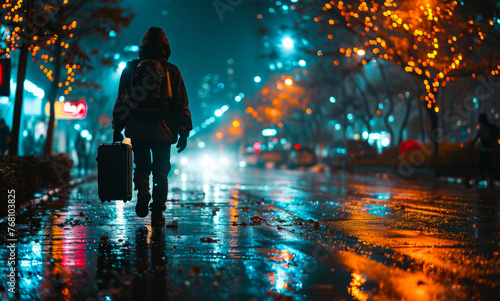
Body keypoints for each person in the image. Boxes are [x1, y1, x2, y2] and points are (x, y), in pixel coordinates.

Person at [112, 27, 192, 220]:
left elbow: (122, 100)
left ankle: (143, 192)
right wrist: (184, 131)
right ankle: (157, 207)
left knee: (141, 166)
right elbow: (181, 102)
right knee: (161, 169)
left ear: (143, 46)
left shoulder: (131, 68)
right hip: (164, 129)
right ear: (165, 47)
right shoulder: (172, 71)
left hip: (138, 128)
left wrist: (118, 128)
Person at [471, 113, 498, 183]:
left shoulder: (483, 127)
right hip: (491, 147)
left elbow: (478, 136)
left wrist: (472, 144)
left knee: (482, 163)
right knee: (488, 162)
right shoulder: (490, 126)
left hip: (485, 148)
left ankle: (483, 176)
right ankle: (490, 176)